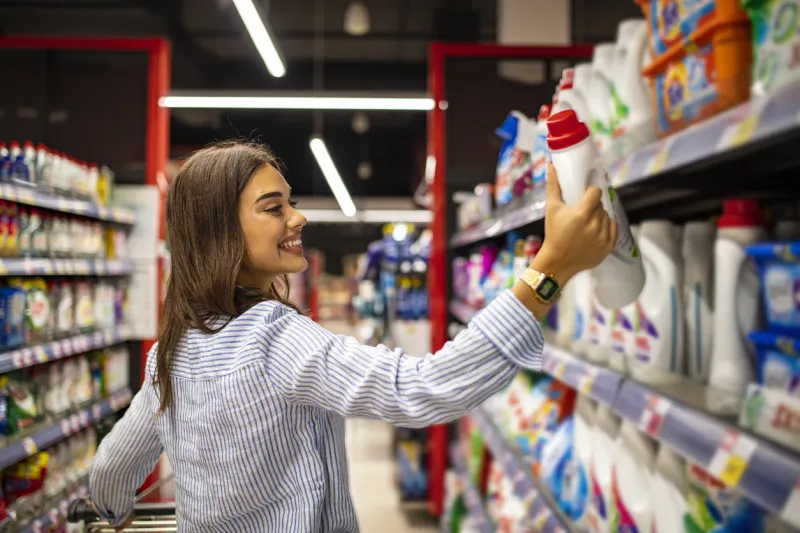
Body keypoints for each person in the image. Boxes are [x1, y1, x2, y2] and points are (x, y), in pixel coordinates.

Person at [89, 140, 617, 532]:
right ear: (219, 232)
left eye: (289, 202)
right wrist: (548, 272)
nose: (296, 217)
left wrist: (109, 512)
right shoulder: (276, 340)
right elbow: (420, 388)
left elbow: (112, 469)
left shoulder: (171, 354)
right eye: (274, 208)